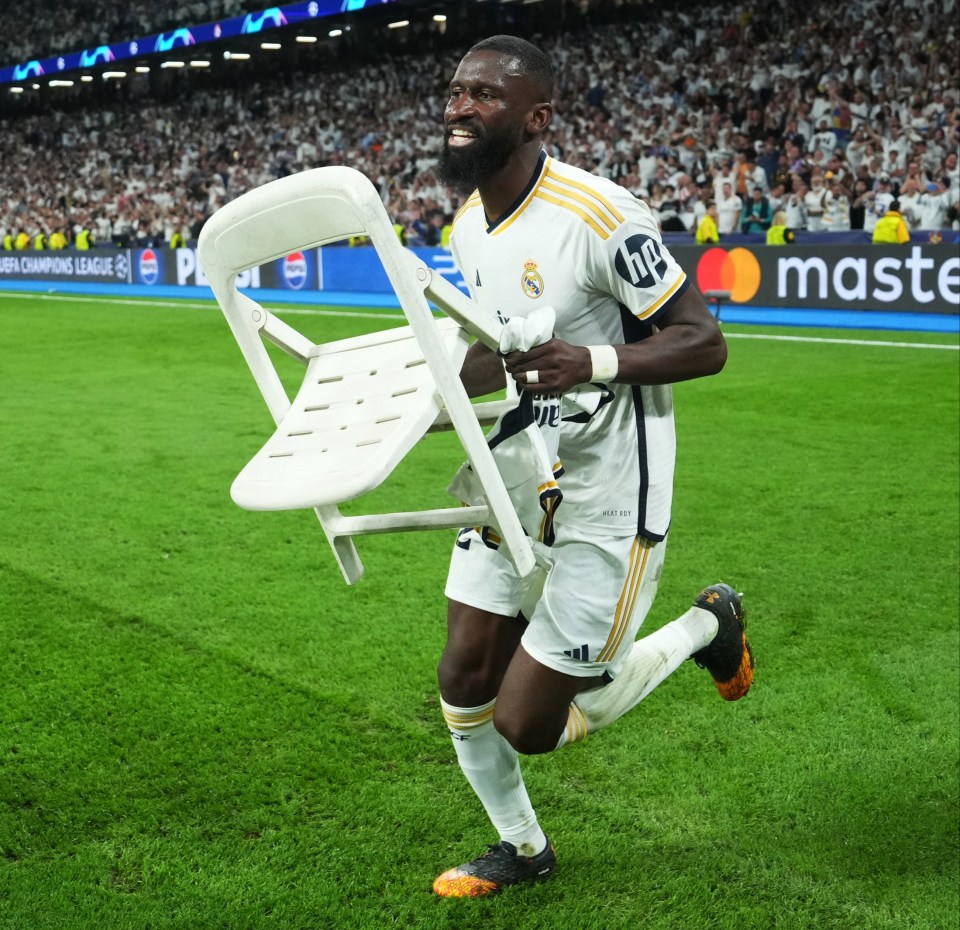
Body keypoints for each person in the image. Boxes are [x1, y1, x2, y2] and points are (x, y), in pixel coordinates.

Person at [430, 35, 754, 899]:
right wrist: (413, 391)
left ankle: (704, 627)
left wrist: (596, 361)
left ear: (537, 118)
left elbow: (704, 341)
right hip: (517, 476)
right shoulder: (464, 227)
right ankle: (523, 850)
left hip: (612, 491)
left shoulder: (601, 213)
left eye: (484, 96)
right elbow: (488, 357)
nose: (460, 106)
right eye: (457, 91)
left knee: (527, 722)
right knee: (462, 672)